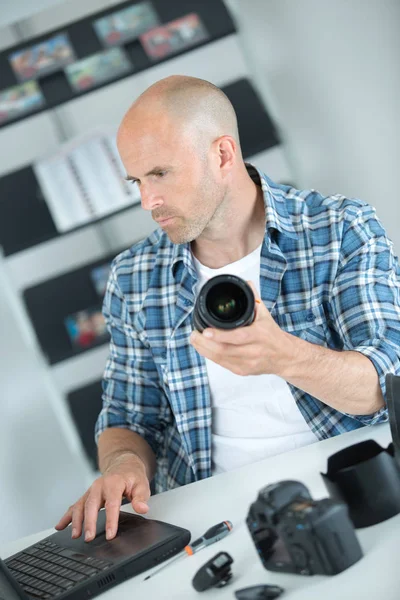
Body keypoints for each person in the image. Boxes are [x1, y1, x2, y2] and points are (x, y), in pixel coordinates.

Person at [55, 75, 400, 543]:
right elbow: (127, 417)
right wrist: (124, 464)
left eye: (160, 173)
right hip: (219, 517)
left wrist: (282, 355)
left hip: (357, 484)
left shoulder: (339, 227)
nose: (146, 200)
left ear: (222, 155)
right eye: (137, 180)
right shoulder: (134, 276)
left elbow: (385, 387)